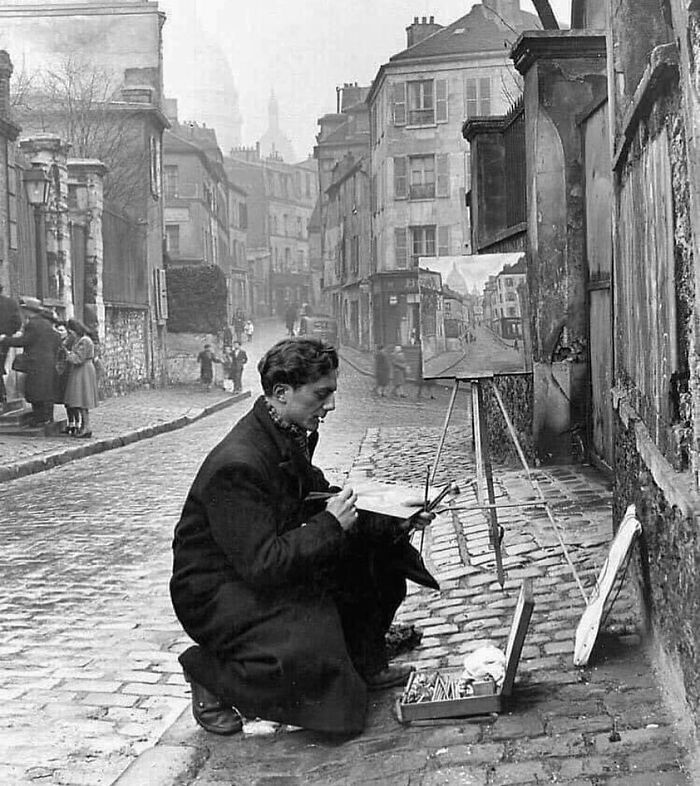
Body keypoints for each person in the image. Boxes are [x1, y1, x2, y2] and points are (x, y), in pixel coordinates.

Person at [169, 337, 437, 737]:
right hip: (218, 594)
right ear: (281, 393)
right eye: (321, 394)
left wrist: (395, 520)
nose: (330, 405)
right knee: (322, 671)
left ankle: (364, 662)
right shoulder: (238, 463)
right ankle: (210, 673)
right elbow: (262, 564)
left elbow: (316, 498)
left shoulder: (284, 431)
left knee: (378, 556)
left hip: (259, 570)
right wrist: (330, 526)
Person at [0, 297, 61, 426]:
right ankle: (48, 418)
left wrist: (5, 339)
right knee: (46, 390)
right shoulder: (46, 323)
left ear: (28, 310)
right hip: (48, 361)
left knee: (35, 390)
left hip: (36, 362)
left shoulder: (33, 324)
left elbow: (24, 341)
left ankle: (40, 419)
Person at [63, 318, 99, 438]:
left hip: (83, 371)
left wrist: (67, 354)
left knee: (82, 400)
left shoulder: (84, 341)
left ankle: (86, 427)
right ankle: (84, 426)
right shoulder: (82, 340)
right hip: (82, 371)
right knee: (81, 400)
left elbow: (78, 359)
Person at [0, 284, 21, 404]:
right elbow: (17, 323)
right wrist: (7, 334)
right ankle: (2, 397)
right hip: (3, 341)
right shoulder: (11, 303)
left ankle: (2, 396)